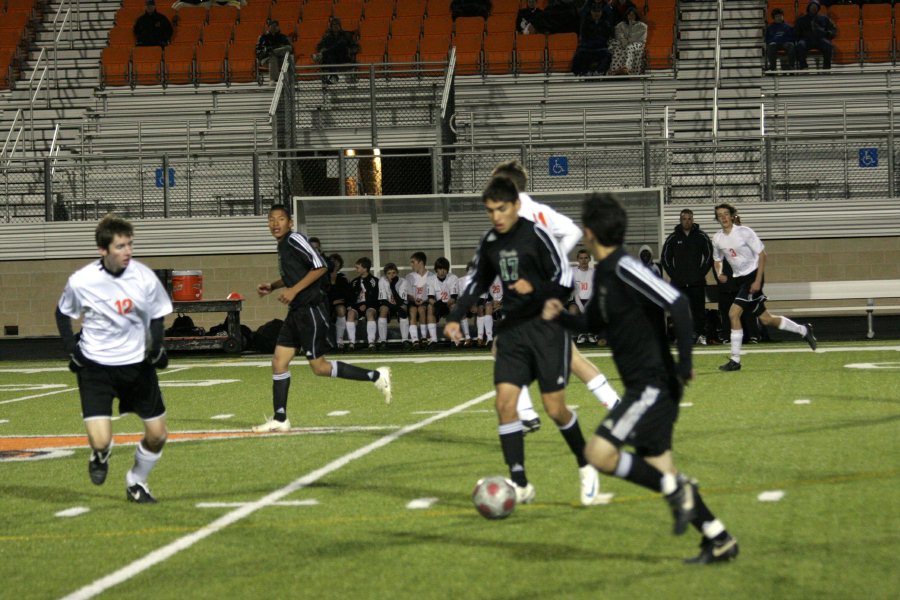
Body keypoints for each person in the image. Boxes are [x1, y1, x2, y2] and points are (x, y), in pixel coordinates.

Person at [543, 192, 739, 564]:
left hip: (654, 384)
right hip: (646, 384)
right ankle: (719, 538)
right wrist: (560, 317)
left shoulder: (624, 267)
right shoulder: (605, 273)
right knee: (660, 465)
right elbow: (595, 322)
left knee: (599, 453)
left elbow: (678, 303)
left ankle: (676, 490)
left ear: (588, 233)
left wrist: (683, 364)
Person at [444, 176, 611, 507]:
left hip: (547, 328)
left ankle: (586, 464)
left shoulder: (537, 235)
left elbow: (564, 283)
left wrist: (534, 288)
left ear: (517, 206)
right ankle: (519, 483)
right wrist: (454, 317)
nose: (496, 216)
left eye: (502, 209)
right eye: (490, 210)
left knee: (555, 408)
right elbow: (478, 283)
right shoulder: (490, 241)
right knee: (505, 405)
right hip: (513, 331)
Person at [491, 159, 621, 435]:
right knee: (570, 358)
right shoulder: (538, 210)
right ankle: (618, 407)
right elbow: (573, 231)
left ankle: (526, 415)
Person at [55, 215, 172, 504]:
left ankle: (136, 482)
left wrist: (156, 348)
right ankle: (100, 453)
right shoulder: (82, 281)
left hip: (136, 365)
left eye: (130, 244)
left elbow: (158, 314)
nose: (127, 251)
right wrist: (73, 350)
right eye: (120, 246)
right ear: (103, 250)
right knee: (100, 439)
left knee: (157, 434)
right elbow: (62, 313)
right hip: (96, 368)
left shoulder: (144, 276)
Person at [253, 204, 392, 432]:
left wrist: (293, 290)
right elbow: (297, 273)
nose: (275, 223)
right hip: (296, 312)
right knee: (278, 362)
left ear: (290, 222)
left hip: (310, 311)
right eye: (271, 219)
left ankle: (376, 376)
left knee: (319, 367)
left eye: (280, 219)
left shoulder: (294, 239)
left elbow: (320, 267)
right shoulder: (283, 246)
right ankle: (280, 418)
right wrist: (274, 285)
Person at [711, 202, 817, 372]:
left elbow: (762, 254)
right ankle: (804, 330)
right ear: (716, 218)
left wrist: (758, 280)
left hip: (753, 276)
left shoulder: (744, 232)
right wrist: (720, 273)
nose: (723, 217)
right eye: (719, 215)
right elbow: (717, 260)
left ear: (732, 215)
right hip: (740, 280)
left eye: (726, 214)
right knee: (766, 319)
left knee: (733, 313)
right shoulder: (717, 238)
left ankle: (735, 360)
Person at [661, 208, 714, 345]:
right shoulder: (673, 238)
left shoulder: (701, 236)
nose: (687, 221)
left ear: (693, 220)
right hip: (679, 283)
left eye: (689, 218)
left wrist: (700, 273)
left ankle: (701, 335)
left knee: (699, 312)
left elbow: (709, 256)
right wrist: (674, 275)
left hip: (697, 282)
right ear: (680, 220)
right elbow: (665, 258)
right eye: (684, 219)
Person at [572, 1, 615, 76]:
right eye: (594, 11)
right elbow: (585, 38)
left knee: (607, 54)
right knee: (579, 54)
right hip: (588, 47)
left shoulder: (606, 24)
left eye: (598, 12)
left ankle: (599, 72)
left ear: (601, 12)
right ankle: (584, 72)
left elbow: (608, 36)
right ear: (591, 12)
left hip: (600, 47)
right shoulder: (585, 23)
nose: (596, 14)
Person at [405, 251, 438, 349]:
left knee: (423, 309)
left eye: (412, 262)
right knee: (413, 310)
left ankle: (424, 338)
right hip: (414, 302)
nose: (411, 264)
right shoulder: (409, 277)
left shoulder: (432, 276)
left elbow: (433, 294)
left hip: (426, 302)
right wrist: (414, 300)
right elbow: (409, 294)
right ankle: (415, 340)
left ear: (420, 262)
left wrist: (424, 301)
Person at [347, 256, 380, 351]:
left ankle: (371, 342)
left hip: (370, 306)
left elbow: (376, 298)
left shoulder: (374, 281)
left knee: (370, 313)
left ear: (365, 269)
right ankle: (351, 343)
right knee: (350, 313)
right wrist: (355, 306)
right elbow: (351, 297)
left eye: (358, 267)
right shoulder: (354, 282)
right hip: (357, 307)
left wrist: (366, 305)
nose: (356, 269)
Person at [313, 17, 359, 84]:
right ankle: (334, 76)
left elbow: (355, 46)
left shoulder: (345, 35)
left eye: (337, 24)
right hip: (332, 59)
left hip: (343, 57)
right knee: (330, 55)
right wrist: (322, 49)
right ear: (331, 27)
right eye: (334, 25)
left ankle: (322, 56)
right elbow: (319, 46)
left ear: (340, 26)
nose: (335, 26)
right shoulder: (327, 37)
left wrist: (352, 50)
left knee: (341, 43)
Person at [377, 262, 411, 350]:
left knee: (404, 308)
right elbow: (383, 301)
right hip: (388, 305)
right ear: (385, 275)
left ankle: (405, 340)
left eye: (393, 273)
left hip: (399, 304)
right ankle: (383, 341)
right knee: (383, 309)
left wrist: (392, 286)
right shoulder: (382, 281)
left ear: (397, 273)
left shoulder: (403, 281)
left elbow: (401, 301)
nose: (391, 275)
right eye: (389, 273)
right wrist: (396, 308)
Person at [794, 0, 836, 70]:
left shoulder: (825, 19)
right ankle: (804, 67)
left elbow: (833, 31)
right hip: (806, 40)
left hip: (820, 39)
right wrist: (798, 39)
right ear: (809, 8)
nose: (814, 8)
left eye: (816, 7)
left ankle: (826, 68)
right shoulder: (801, 19)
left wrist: (826, 33)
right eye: (812, 6)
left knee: (828, 45)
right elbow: (796, 32)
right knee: (800, 45)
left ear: (818, 8)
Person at [429, 257, 460, 346]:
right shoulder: (431, 279)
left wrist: (445, 305)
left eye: (444, 269)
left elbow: (454, 297)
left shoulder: (453, 278)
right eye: (440, 269)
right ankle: (433, 339)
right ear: (436, 270)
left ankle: (454, 338)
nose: (442, 271)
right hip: (437, 304)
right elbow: (430, 298)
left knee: (454, 307)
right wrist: (437, 305)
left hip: (449, 304)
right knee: (429, 307)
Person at [608, 5, 646, 76]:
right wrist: (625, 41)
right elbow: (619, 35)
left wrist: (627, 40)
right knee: (617, 48)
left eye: (633, 15)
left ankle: (627, 68)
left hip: (637, 44)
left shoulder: (642, 26)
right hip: (623, 43)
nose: (631, 16)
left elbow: (637, 37)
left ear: (636, 15)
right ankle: (615, 70)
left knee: (629, 48)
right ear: (626, 15)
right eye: (629, 14)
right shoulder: (620, 25)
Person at [326, 253, 352, 351]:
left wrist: (347, 303)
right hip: (326, 303)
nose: (335, 265)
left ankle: (339, 341)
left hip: (339, 304)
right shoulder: (323, 277)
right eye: (332, 262)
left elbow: (346, 294)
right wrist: (332, 300)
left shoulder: (343, 278)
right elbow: (323, 293)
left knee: (341, 309)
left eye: (337, 263)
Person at [569, 248, 595, 344]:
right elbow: (574, 291)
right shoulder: (573, 272)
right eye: (581, 258)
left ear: (589, 259)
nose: (583, 260)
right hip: (577, 300)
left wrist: (587, 305)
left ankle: (591, 333)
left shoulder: (594, 272)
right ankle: (581, 333)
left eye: (586, 258)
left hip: (590, 300)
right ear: (577, 260)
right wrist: (580, 305)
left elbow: (594, 292)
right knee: (572, 310)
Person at [765, 7, 797, 72]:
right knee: (771, 46)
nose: (779, 18)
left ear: (783, 16)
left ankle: (791, 66)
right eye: (777, 16)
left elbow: (792, 37)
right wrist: (771, 42)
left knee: (791, 45)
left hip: (785, 43)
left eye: (780, 16)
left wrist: (786, 41)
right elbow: (767, 38)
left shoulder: (788, 27)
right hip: (775, 44)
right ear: (774, 18)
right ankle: (773, 68)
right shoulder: (770, 27)